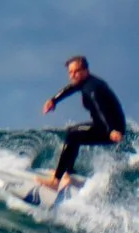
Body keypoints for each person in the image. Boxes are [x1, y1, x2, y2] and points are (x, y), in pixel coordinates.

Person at [38, 55, 126, 191]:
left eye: (76, 71)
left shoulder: (92, 89)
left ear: (86, 70)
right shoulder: (85, 82)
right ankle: (68, 173)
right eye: (70, 72)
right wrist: (53, 100)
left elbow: (101, 109)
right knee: (74, 134)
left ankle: (56, 181)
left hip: (110, 128)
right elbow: (70, 88)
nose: (73, 75)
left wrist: (112, 130)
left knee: (71, 134)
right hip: (104, 125)